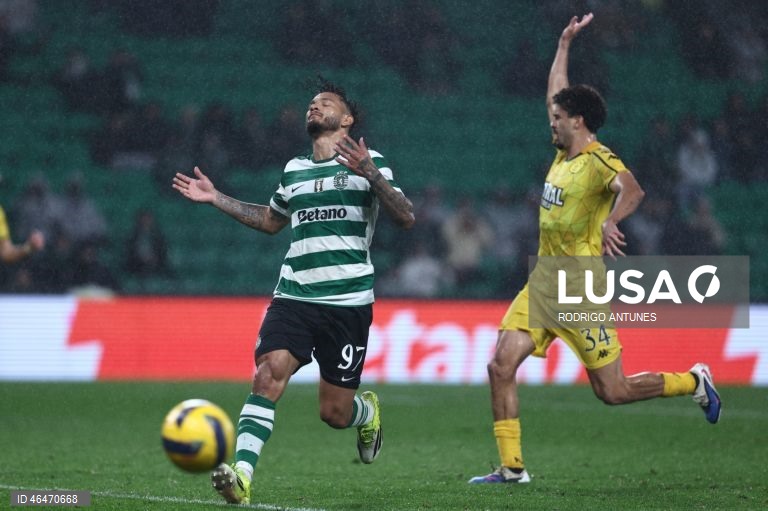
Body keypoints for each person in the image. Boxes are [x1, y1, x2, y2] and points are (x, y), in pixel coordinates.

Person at [469, 14, 722, 485]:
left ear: (577, 122)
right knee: (499, 365)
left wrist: (610, 219)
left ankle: (694, 380)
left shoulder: (598, 159)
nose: (552, 119)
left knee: (613, 391)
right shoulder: (561, 152)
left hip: (579, 289)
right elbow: (555, 92)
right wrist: (564, 45)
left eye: (559, 118)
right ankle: (512, 467)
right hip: (543, 282)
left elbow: (633, 189)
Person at [173, 78, 415, 505]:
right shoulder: (294, 170)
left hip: (347, 304)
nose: (314, 107)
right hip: (294, 296)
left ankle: (367, 412)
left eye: (325, 103)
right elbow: (270, 220)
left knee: (334, 413)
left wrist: (372, 174)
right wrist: (216, 199)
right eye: (311, 104)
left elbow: (406, 216)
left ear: (348, 119)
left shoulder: (370, 163)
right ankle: (242, 476)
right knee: (267, 375)